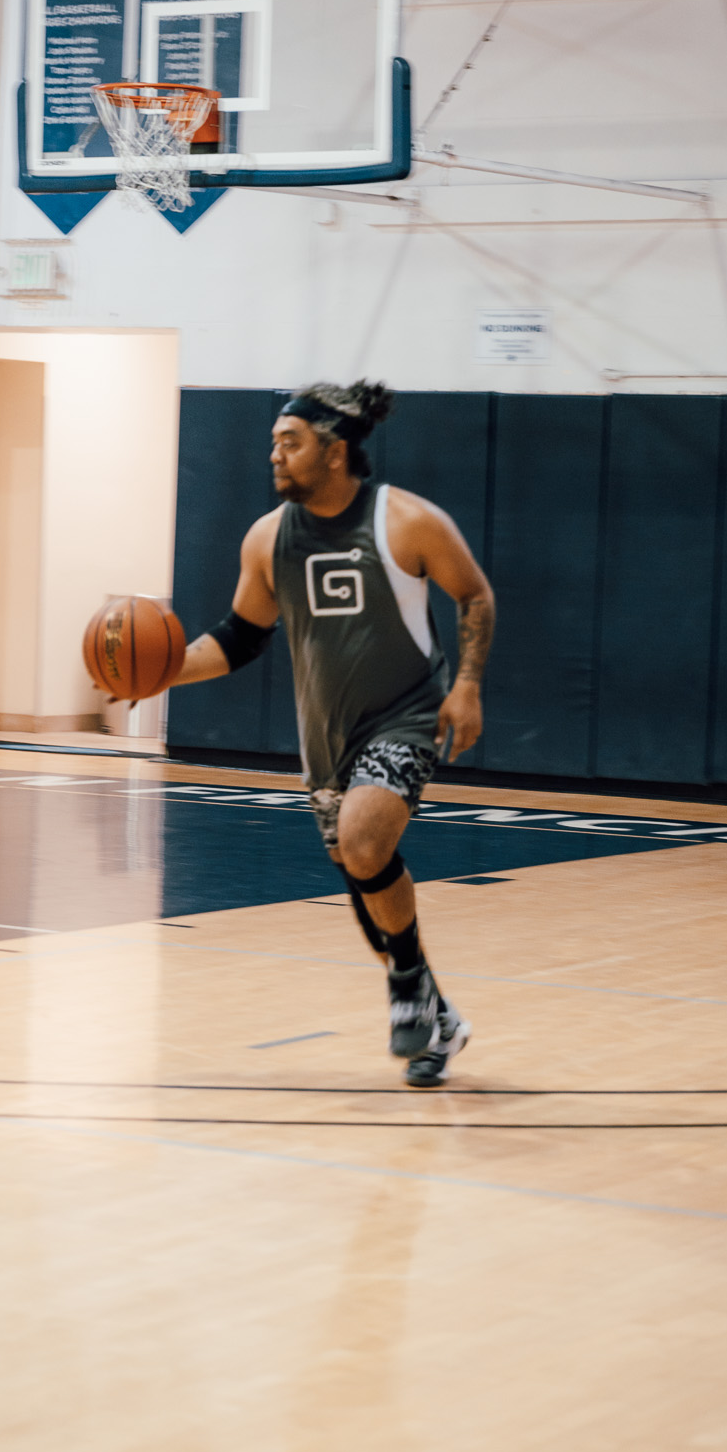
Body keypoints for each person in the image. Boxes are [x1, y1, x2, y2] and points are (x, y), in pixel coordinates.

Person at [168, 381, 495, 1086]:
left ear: (335, 451)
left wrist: (466, 684)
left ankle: (406, 983)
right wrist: (162, 670)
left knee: (364, 841)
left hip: (406, 716)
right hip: (325, 740)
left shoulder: (406, 520)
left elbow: (474, 594)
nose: (274, 455)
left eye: (290, 443)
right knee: (366, 888)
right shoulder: (268, 538)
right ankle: (437, 1015)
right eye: (273, 443)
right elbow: (238, 637)